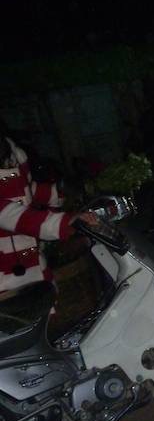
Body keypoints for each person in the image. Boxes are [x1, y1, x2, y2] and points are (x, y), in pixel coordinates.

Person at [0, 133, 96, 335]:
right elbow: (10, 214)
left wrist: (59, 191)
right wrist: (63, 222)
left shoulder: (10, 153)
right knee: (19, 335)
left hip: (28, 257)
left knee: (46, 324)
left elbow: (25, 190)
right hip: (4, 275)